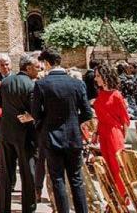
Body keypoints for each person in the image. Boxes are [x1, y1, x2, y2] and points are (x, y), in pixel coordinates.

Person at [30, 49, 93, 213]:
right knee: (76, 179)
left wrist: (44, 125)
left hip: (51, 137)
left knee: (58, 180)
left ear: (47, 63)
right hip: (73, 136)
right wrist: (73, 122)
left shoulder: (41, 84)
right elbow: (87, 113)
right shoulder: (77, 83)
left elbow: (35, 114)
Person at [0, 55, 38, 213]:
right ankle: (28, 207)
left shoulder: (5, 82)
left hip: (6, 132)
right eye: (36, 67)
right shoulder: (32, 85)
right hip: (25, 133)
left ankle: (3, 207)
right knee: (28, 172)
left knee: (5, 171)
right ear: (28, 68)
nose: (38, 70)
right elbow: (36, 110)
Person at [92, 63, 130, 202]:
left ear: (105, 76)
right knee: (107, 166)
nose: (96, 79)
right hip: (103, 132)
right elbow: (101, 116)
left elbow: (125, 120)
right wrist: (96, 132)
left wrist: (123, 139)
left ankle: (123, 197)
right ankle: (111, 198)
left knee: (117, 166)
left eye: (98, 76)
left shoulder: (116, 95)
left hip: (114, 134)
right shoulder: (101, 93)